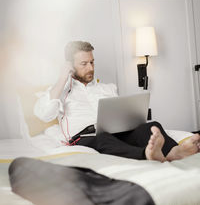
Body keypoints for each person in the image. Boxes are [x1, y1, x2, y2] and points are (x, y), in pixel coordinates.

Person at [34, 41, 200, 162]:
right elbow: (44, 115)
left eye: (92, 62)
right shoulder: (60, 91)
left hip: (116, 132)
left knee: (149, 126)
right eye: (84, 64)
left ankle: (174, 151)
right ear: (69, 65)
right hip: (86, 136)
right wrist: (63, 78)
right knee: (103, 139)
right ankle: (146, 154)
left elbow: (120, 115)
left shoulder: (107, 88)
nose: (91, 68)